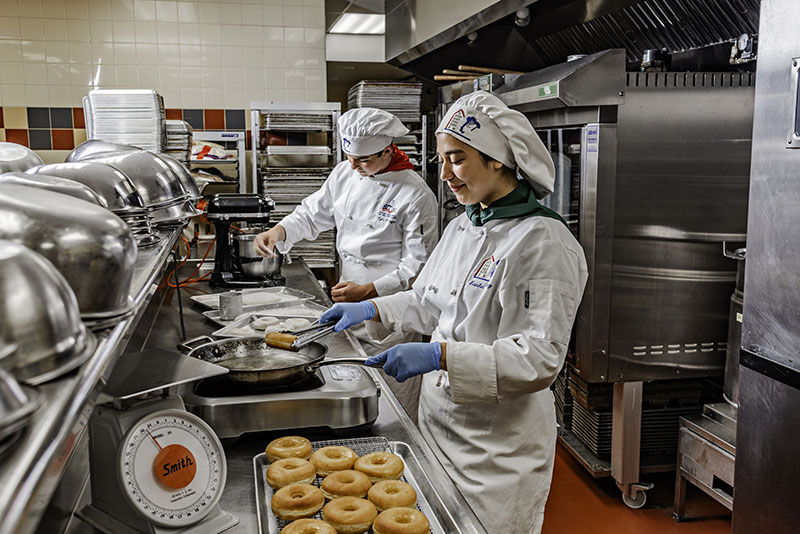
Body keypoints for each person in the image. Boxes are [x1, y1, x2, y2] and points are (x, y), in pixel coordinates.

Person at [318, 91, 588, 533]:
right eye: (442, 160)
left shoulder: (543, 243)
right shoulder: (466, 224)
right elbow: (427, 300)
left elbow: (538, 359)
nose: (444, 174)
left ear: (498, 160)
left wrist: (441, 356)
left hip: (495, 450)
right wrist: (369, 308)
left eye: (456, 159)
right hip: (437, 422)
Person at [254, 107, 438, 421]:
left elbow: (419, 267)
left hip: (389, 307)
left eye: (363, 160)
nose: (353, 165)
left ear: (388, 150)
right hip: (348, 291)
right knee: (350, 382)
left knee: (390, 397)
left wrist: (371, 289)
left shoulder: (415, 194)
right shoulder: (345, 173)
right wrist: (280, 231)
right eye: (349, 157)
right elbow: (313, 213)